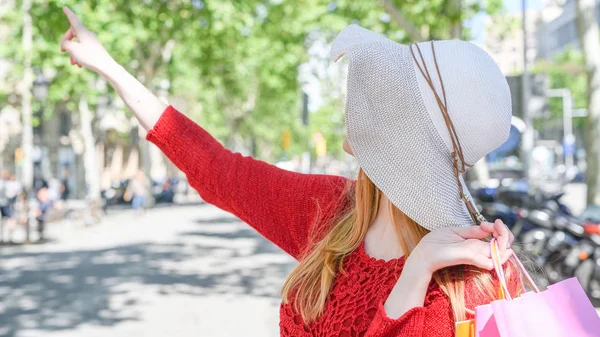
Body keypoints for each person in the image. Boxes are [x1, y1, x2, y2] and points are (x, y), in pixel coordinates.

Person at [60, 8, 520, 336]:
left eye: (376, 103)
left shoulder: (465, 283)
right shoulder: (334, 211)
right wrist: (110, 67)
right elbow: (218, 170)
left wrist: (414, 276)